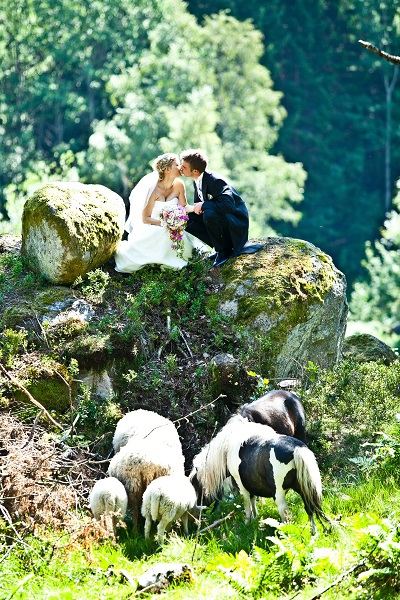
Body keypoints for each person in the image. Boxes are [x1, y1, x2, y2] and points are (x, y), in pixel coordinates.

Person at [115, 153, 201, 273]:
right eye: (177, 164)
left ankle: (169, 263)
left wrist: (196, 208)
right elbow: (145, 218)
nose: (180, 167)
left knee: (174, 233)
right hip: (152, 225)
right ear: (167, 170)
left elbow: (184, 207)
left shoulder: (179, 185)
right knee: (164, 232)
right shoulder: (153, 189)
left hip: (170, 225)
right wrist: (166, 223)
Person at [180, 148, 264, 268]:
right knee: (185, 218)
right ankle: (220, 248)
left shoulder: (215, 180)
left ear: (195, 170)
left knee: (209, 214)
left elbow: (228, 206)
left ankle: (223, 252)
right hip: (220, 216)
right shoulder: (197, 180)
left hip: (234, 219)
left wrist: (203, 205)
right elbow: (199, 207)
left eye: (184, 167)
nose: (181, 169)